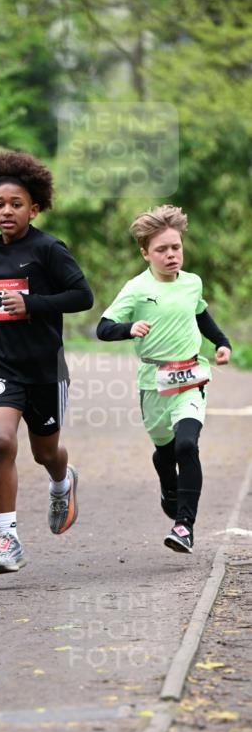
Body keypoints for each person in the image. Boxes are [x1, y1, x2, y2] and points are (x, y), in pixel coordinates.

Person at [0, 150, 94, 575]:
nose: (7, 211)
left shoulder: (49, 250)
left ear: (33, 208)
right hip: (0, 363)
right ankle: (9, 539)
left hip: (44, 368)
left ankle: (62, 482)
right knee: (2, 442)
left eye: (16, 204)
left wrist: (32, 304)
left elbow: (82, 297)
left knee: (45, 452)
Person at [97, 204, 232, 554]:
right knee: (165, 451)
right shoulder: (136, 288)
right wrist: (130, 328)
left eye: (176, 247)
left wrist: (222, 342)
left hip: (190, 375)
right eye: (161, 249)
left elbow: (201, 314)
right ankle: (167, 483)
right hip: (153, 380)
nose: (171, 255)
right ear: (145, 253)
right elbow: (103, 328)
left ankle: (184, 526)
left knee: (187, 445)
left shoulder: (192, 283)